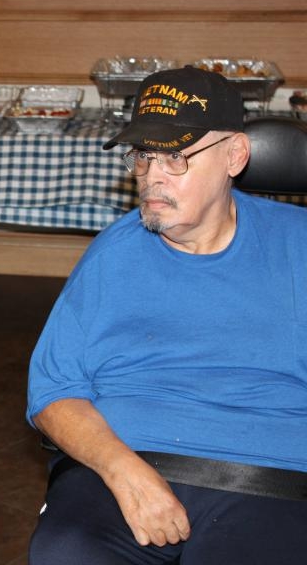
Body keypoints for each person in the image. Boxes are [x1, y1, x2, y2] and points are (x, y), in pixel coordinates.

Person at [26, 66, 307, 564]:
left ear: (234, 156)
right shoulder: (114, 253)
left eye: (175, 156)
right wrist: (122, 470)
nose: (153, 176)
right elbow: (52, 391)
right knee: (65, 553)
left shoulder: (297, 246)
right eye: (144, 156)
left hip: (271, 479)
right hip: (125, 464)